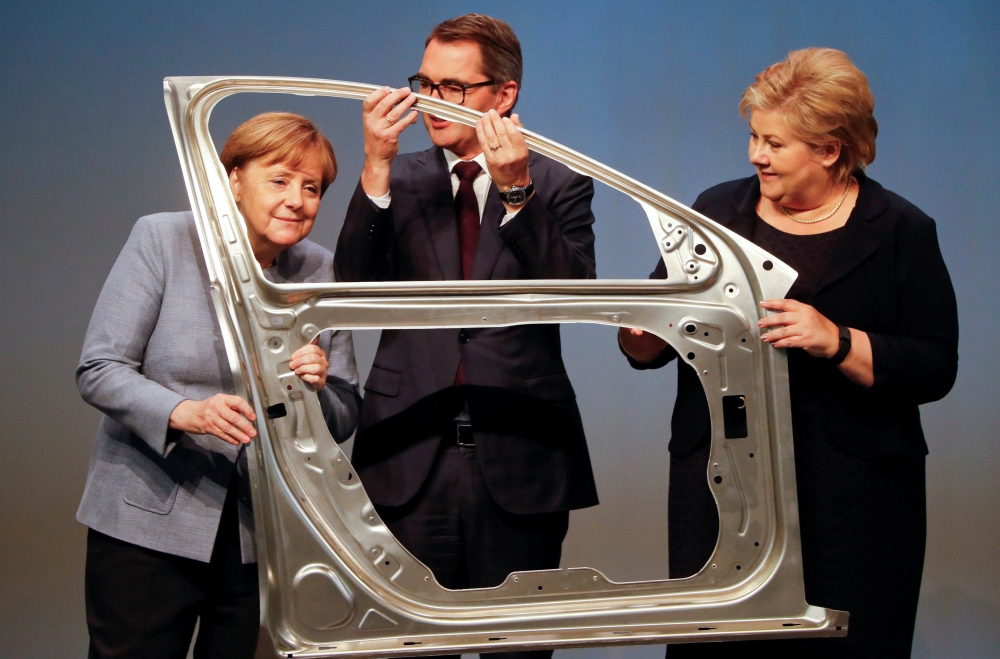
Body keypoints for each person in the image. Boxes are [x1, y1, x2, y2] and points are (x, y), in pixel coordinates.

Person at [619, 48, 958, 658]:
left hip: (856, 494)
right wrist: (642, 326)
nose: (755, 155)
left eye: (774, 144)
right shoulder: (719, 210)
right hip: (724, 488)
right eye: (753, 136)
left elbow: (936, 365)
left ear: (829, 150)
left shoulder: (902, 229)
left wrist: (839, 340)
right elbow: (648, 344)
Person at [334, 14, 598, 659]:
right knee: (409, 648)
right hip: (408, 449)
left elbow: (571, 294)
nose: (430, 101)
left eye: (454, 87)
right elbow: (351, 286)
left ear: (502, 96)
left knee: (518, 647)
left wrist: (516, 192)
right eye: (424, 81)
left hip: (519, 454)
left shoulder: (559, 179)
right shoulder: (399, 175)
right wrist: (374, 164)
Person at [76, 112, 362, 659]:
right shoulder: (164, 237)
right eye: (279, 180)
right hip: (150, 521)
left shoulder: (321, 271)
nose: (297, 200)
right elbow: (100, 368)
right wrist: (185, 412)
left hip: (265, 533)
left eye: (311, 187)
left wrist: (318, 389)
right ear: (233, 177)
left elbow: (346, 411)